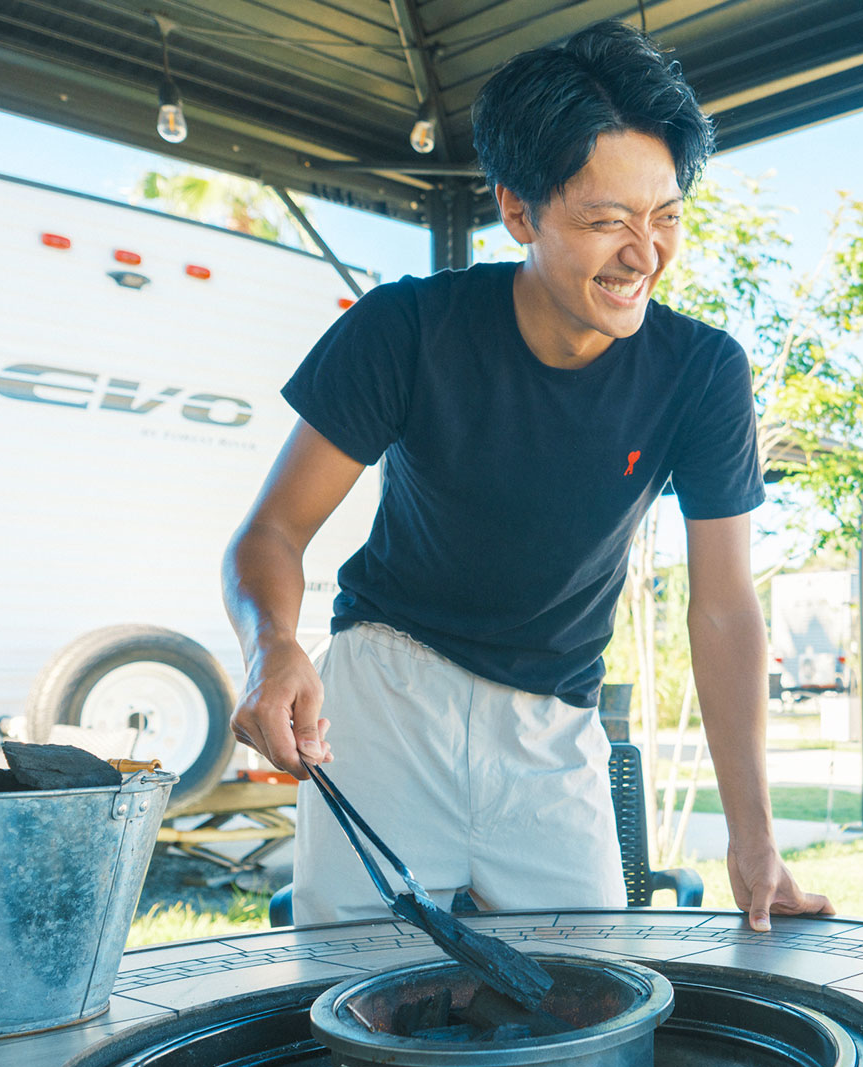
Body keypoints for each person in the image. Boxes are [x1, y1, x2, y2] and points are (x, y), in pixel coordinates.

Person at [223, 20, 828, 930]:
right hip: (389, 696)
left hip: (556, 726)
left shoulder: (701, 371)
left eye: (664, 218)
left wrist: (753, 836)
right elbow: (270, 533)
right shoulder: (407, 329)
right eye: (604, 221)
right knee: (353, 996)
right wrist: (272, 645)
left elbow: (725, 605)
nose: (643, 253)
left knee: (587, 1004)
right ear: (518, 212)